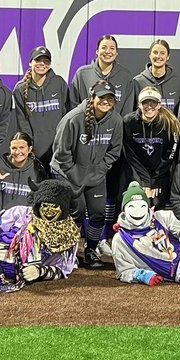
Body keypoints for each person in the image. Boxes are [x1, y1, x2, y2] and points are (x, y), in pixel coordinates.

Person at [50, 80, 124, 268]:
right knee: (77, 212)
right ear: (92, 98)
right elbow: (60, 152)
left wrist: (99, 170)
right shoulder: (74, 118)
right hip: (67, 173)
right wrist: (75, 175)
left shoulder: (115, 121)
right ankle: (71, 252)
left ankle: (90, 250)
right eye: (101, 97)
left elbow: (114, 151)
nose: (105, 102)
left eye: (110, 98)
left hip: (95, 174)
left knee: (98, 213)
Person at [120, 86, 180, 208]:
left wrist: (156, 179)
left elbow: (170, 155)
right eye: (145, 102)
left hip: (160, 174)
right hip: (135, 172)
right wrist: (144, 180)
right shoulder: (129, 122)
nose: (149, 106)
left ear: (159, 105)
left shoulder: (170, 123)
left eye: (153, 102)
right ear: (139, 105)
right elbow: (129, 154)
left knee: (156, 207)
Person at [13, 46, 69, 167]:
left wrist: (63, 143)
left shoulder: (59, 83)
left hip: (58, 149)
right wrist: (30, 147)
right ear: (30, 63)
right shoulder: (20, 89)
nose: (42, 64)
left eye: (46, 61)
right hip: (34, 152)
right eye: (38, 60)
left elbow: (66, 115)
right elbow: (22, 123)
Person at [69, 34, 137, 113]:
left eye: (112, 48)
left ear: (116, 53)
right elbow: (73, 105)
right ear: (97, 51)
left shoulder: (125, 76)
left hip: (115, 125)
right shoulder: (82, 74)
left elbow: (127, 110)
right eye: (104, 48)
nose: (108, 51)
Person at [0, 131, 48, 208]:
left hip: (27, 217)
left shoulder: (38, 168)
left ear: (29, 149)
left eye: (22, 147)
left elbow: (40, 200)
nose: (18, 152)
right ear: (9, 149)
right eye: (14, 148)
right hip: (1, 217)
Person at [133, 39, 180, 112]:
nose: (158, 56)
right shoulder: (138, 81)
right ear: (150, 55)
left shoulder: (178, 82)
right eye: (155, 52)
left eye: (162, 53)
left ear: (168, 56)